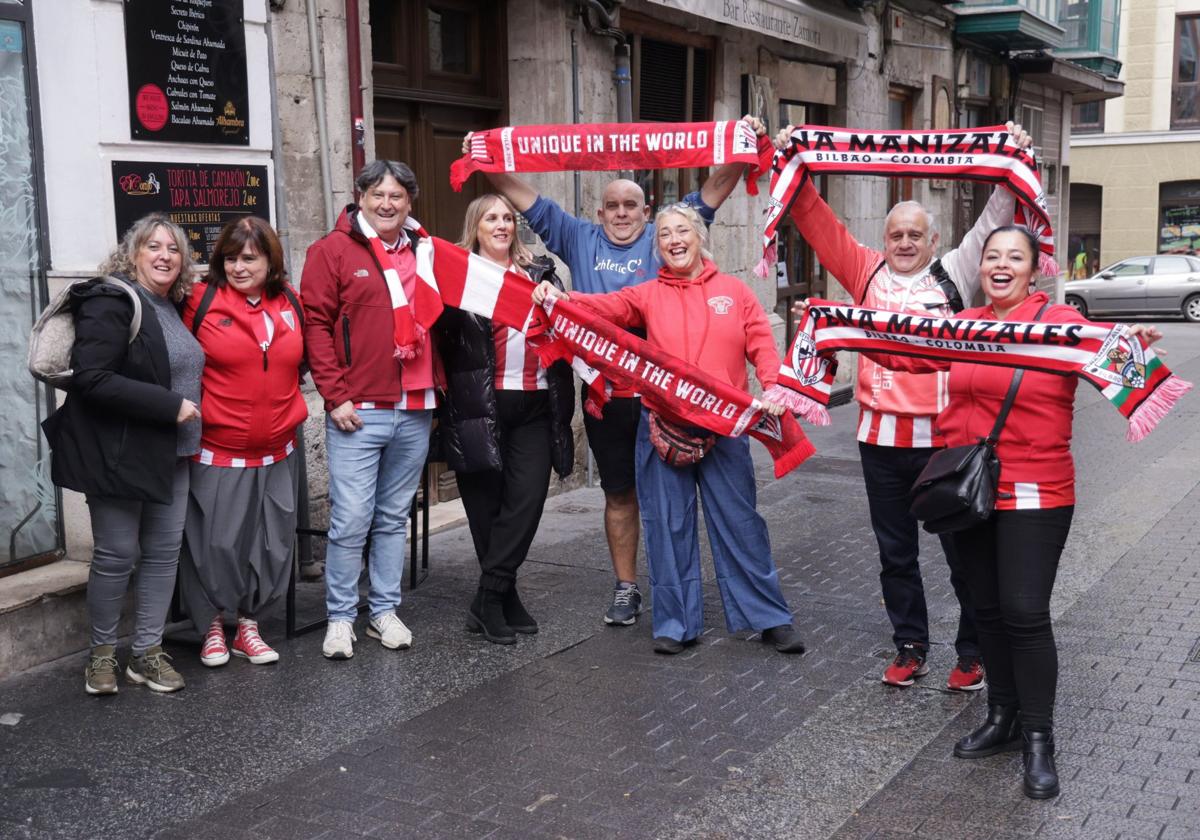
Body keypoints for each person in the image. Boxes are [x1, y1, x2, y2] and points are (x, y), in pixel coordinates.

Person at [858, 225, 1163, 799]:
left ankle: (1040, 738)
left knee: (1024, 612)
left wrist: (1135, 343)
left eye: (1013, 257)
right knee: (987, 610)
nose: (1000, 264)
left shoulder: (1061, 325)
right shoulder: (963, 326)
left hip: (1038, 491)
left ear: (1033, 266)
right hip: (969, 491)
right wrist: (831, 328)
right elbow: (902, 353)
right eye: (992, 256)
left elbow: (1116, 361)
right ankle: (1001, 718)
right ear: (981, 268)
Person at [465, 115, 768, 628]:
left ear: (646, 212)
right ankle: (627, 587)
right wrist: (483, 154)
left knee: (679, 498)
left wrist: (743, 143)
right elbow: (518, 194)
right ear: (599, 211)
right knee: (619, 493)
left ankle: (697, 595)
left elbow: (716, 186)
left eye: (632, 205)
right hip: (605, 394)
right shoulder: (576, 235)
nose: (622, 213)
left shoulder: (667, 235)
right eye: (613, 206)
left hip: (666, 396)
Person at [772, 121, 1033, 691]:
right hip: (879, 443)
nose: (907, 243)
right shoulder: (865, 272)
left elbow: (996, 213)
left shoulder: (955, 273)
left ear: (934, 241)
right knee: (896, 555)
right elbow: (814, 219)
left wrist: (1009, 150)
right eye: (897, 235)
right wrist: (788, 153)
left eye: (916, 234)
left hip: (944, 444)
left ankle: (972, 653)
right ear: (884, 239)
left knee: (962, 555)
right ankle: (910, 645)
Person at [533, 204, 807, 656]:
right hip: (661, 427)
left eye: (682, 231)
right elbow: (606, 307)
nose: (674, 240)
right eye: (664, 235)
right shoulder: (646, 294)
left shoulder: (735, 292)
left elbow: (762, 344)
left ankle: (769, 617)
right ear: (656, 246)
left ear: (700, 236)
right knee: (667, 526)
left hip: (724, 431)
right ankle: (676, 622)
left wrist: (775, 387)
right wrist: (560, 299)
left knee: (741, 524)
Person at [42, 213, 204, 695]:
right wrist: (169, 405)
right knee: (116, 555)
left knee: (161, 555)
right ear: (132, 254)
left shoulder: (172, 304)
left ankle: (147, 654)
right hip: (119, 451)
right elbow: (92, 376)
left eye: (173, 249)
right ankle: (101, 655)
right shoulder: (111, 299)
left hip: (172, 453)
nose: (164, 256)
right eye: (153, 246)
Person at [302, 160, 437, 660]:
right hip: (358, 408)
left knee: (391, 517)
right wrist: (334, 395)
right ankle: (340, 617)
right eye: (378, 194)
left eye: (397, 196)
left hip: (417, 403)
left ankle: (382, 610)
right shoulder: (331, 251)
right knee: (351, 518)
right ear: (360, 197)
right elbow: (315, 325)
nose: (387, 204)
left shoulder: (427, 250)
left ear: (409, 202)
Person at [433, 194, 575, 645]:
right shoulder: (458, 278)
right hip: (479, 406)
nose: (501, 225)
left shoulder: (539, 273)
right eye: (491, 218)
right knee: (486, 510)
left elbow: (567, 327)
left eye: (508, 218)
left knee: (527, 502)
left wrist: (557, 297)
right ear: (475, 226)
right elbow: (438, 334)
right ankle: (503, 597)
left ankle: (487, 599)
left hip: (534, 404)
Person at [179, 218, 308, 667]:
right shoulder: (200, 301)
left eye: (248, 258)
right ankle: (212, 626)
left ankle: (249, 627)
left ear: (270, 260)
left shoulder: (292, 300)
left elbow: (302, 363)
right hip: (219, 449)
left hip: (278, 449)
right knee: (215, 544)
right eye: (230, 258)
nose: (237, 267)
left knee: (271, 544)